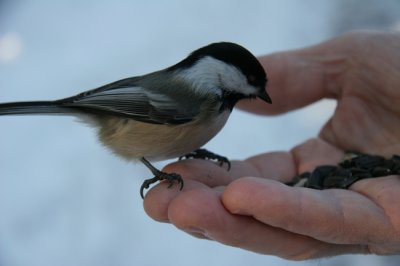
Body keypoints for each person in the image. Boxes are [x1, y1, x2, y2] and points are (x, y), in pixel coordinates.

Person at [143, 31, 400, 260]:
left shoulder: (211, 99)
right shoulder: (198, 95)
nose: (256, 91)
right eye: (252, 80)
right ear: (223, 72)